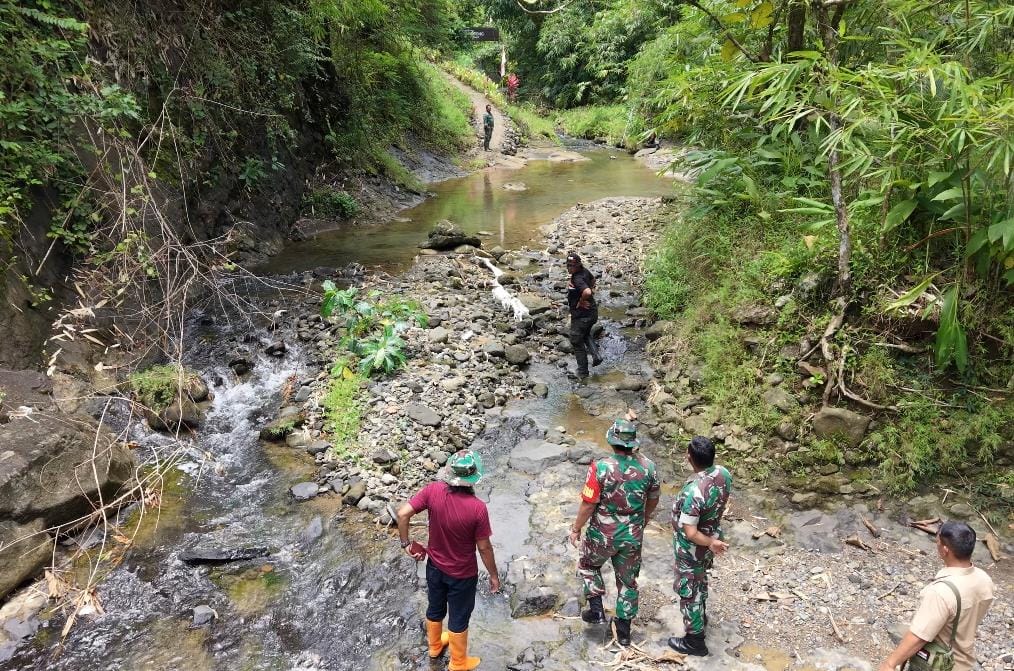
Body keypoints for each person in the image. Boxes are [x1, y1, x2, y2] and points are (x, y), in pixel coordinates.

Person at [397, 449, 500, 670]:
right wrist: (493, 575)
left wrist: (406, 544)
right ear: (474, 478)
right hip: (462, 574)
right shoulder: (478, 508)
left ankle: (434, 646)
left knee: (435, 607)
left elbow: (403, 514)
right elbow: (484, 548)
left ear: (450, 472)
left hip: (434, 567)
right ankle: (458, 663)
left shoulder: (433, 490)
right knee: (459, 616)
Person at [569, 418, 660, 646]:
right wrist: (644, 519)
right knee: (628, 582)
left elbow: (588, 504)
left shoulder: (600, 468)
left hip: (602, 533)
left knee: (588, 565)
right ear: (633, 443)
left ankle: (596, 611)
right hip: (632, 534)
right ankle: (624, 631)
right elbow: (654, 498)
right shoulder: (649, 467)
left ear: (612, 441)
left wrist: (576, 528)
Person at [878, 521, 995, 671]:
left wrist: (890, 663)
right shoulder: (985, 580)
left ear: (945, 550)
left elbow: (919, 637)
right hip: (964, 661)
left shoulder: (941, 592)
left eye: (938, 542)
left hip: (939, 664)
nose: (937, 545)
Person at [668, 436, 732, 657]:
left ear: (689, 457)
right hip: (711, 535)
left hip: (694, 548)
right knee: (700, 578)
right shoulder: (723, 473)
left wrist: (711, 543)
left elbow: (691, 532)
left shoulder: (694, 492)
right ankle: (701, 617)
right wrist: (712, 539)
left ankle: (695, 641)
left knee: (689, 589)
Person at [565, 252, 602, 378]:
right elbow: (593, 280)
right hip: (592, 313)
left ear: (578, 265)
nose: (570, 268)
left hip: (582, 316)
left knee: (576, 340)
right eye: (568, 265)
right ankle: (596, 356)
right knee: (585, 334)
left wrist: (581, 300)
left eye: (572, 266)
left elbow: (587, 292)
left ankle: (583, 372)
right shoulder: (584, 271)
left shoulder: (578, 278)